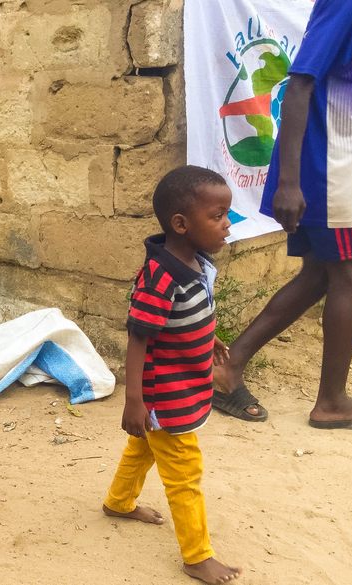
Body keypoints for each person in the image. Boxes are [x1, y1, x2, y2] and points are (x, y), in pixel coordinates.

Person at [212, 0, 352, 429]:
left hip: (341, 157)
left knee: (318, 274)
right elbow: (299, 84)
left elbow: (342, 76)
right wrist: (289, 182)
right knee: (351, 273)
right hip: (333, 167)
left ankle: (229, 366)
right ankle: (332, 402)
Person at [103, 167, 242, 584]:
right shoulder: (160, 278)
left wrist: (209, 337)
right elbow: (139, 337)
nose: (227, 224)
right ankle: (197, 556)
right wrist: (134, 400)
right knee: (184, 474)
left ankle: (118, 502)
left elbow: (186, 317)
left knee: (143, 447)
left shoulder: (196, 262)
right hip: (165, 395)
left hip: (184, 383)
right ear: (181, 224)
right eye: (217, 216)